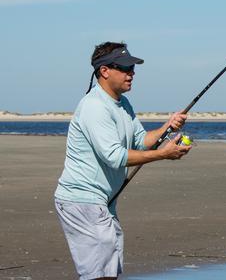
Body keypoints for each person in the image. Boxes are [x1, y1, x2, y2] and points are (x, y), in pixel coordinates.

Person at [54, 42, 192, 280]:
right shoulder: (94, 106)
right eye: (125, 68)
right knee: (98, 275)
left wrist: (167, 127)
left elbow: (139, 141)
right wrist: (163, 154)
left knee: (109, 273)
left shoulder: (122, 103)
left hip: (104, 202)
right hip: (82, 200)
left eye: (133, 68)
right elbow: (115, 156)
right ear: (104, 71)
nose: (132, 73)